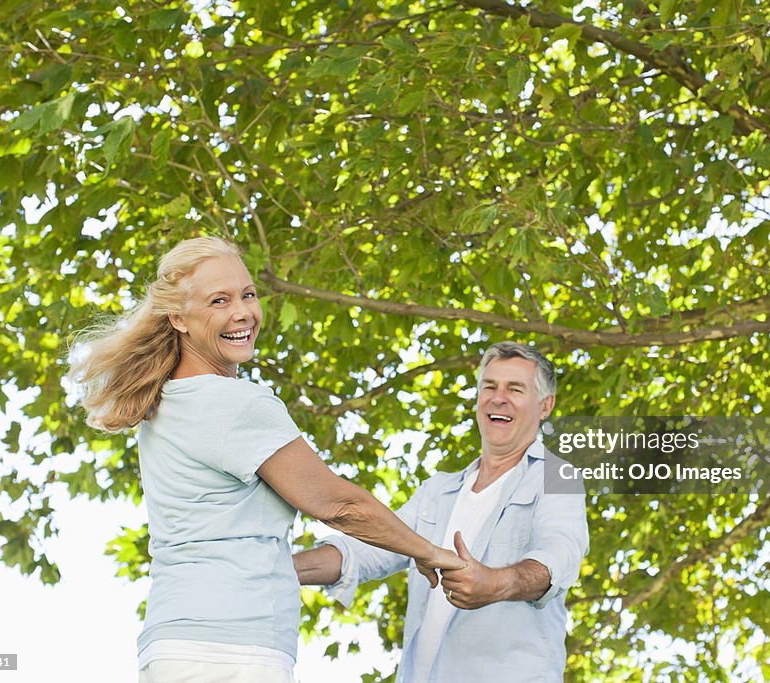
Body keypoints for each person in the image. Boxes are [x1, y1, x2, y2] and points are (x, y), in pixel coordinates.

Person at [67, 236, 463, 683]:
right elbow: (342, 507)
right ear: (178, 318)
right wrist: (431, 554)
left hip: (178, 644)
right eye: (219, 300)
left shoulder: (169, 402)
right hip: (231, 652)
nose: (242, 313)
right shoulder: (232, 404)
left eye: (248, 294)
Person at [293, 342, 589, 683]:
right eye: (489, 386)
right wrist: (277, 567)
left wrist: (494, 583)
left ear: (545, 405)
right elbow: (368, 550)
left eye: (515, 389)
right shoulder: (437, 490)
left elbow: (559, 556)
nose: (498, 397)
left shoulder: (557, 475)